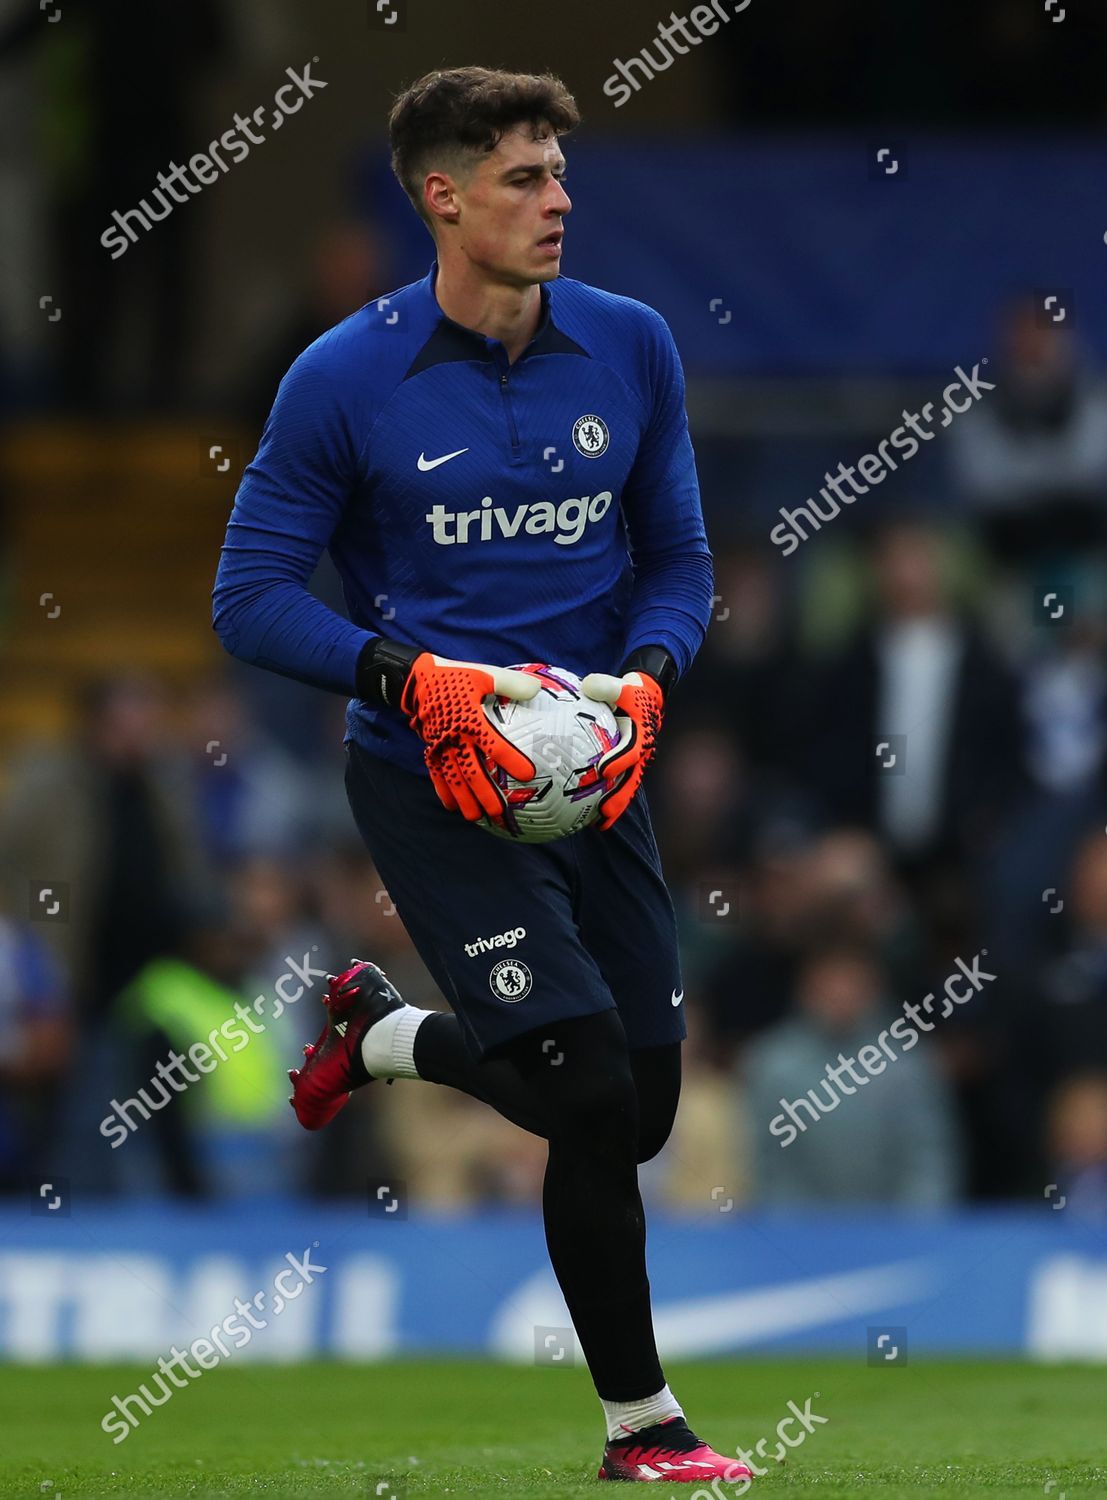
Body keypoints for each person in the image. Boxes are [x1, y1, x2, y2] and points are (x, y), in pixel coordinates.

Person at [212, 67, 748, 1487]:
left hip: (594, 763)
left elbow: (682, 559)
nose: (560, 199)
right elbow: (251, 599)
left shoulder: (630, 346)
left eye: (561, 173)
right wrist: (412, 675)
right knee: (578, 1103)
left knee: (637, 1113)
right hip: (431, 776)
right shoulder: (342, 377)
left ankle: (381, 1039)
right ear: (442, 198)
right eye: (524, 177)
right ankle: (646, 1430)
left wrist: (646, 679)